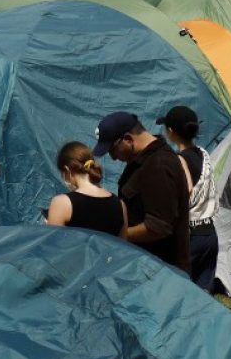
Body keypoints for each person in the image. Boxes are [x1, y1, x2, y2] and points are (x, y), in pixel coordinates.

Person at [92, 111, 190, 274]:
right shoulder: (142, 162)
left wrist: (117, 236)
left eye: (112, 150)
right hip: (147, 266)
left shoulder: (158, 166)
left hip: (162, 271)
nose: (113, 158)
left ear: (128, 139)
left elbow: (158, 226)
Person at [158, 105, 217, 290]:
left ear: (171, 131)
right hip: (209, 234)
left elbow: (186, 192)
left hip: (189, 238)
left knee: (178, 292)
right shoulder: (204, 154)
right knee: (202, 294)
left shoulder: (179, 160)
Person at [47, 142, 126, 237]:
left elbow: (53, 246)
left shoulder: (62, 203)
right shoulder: (120, 205)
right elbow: (123, 247)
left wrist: (50, 223)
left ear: (67, 170)